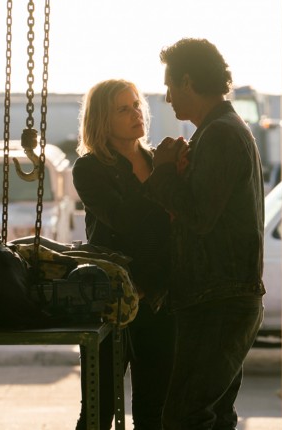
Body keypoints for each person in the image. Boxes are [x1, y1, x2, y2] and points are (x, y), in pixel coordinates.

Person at [144, 38, 266, 429]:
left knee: (184, 416)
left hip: (218, 301)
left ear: (188, 81)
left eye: (170, 86)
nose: (167, 98)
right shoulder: (221, 131)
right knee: (215, 417)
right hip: (222, 298)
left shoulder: (220, 135)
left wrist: (163, 169)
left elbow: (198, 216)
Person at [72, 79, 175, 429]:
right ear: (102, 120)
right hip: (110, 301)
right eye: (123, 109)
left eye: (136, 105)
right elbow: (124, 219)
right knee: (98, 409)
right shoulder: (90, 168)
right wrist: (164, 179)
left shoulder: (156, 160)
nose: (136, 114)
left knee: (154, 410)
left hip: (157, 297)